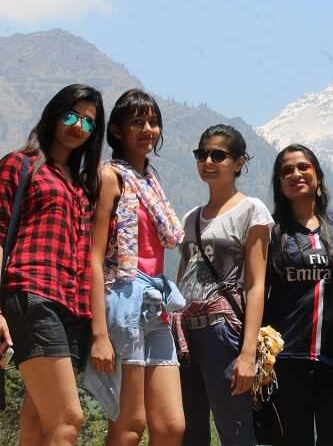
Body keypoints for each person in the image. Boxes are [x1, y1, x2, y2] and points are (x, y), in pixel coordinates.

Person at [0, 84, 106, 446]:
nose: (78, 126)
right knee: (67, 417)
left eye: (88, 122)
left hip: (72, 308)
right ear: (53, 114)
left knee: (38, 423)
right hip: (33, 293)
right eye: (71, 115)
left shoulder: (82, 186)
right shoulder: (22, 163)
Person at [87, 88, 186, 446]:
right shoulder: (110, 176)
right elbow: (94, 257)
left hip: (155, 303)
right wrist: (99, 333)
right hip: (122, 299)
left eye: (153, 122)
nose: (148, 129)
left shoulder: (151, 180)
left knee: (171, 426)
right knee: (130, 425)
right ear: (117, 131)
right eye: (138, 122)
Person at [176, 124, 273, 446]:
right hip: (185, 334)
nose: (208, 161)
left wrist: (247, 355)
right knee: (190, 432)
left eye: (218, 155)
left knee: (234, 430)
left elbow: (256, 284)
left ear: (240, 162)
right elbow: (182, 278)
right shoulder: (190, 218)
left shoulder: (251, 210)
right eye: (202, 154)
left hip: (223, 331)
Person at [264, 144, 333, 446]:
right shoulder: (271, 232)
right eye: (286, 170)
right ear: (279, 183)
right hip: (287, 361)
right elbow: (255, 291)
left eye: (303, 167)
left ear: (318, 174)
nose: (296, 174)